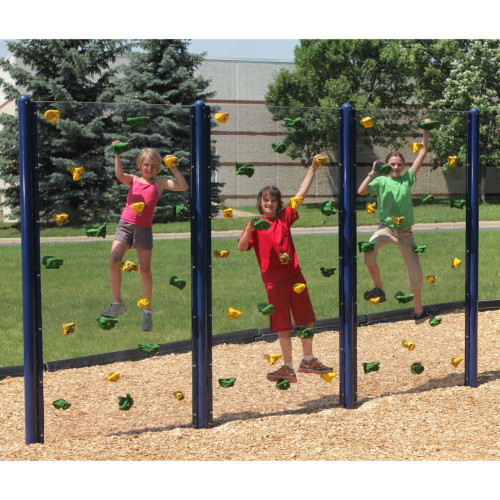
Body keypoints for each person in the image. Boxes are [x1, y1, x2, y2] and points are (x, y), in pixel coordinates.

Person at [238, 154, 333, 384]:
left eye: (273, 201)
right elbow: (241, 248)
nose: (269, 204)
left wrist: (313, 168)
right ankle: (288, 366)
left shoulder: (284, 217)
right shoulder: (256, 224)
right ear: (260, 202)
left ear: (278, 203)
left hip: (295, 277)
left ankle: (308, 360)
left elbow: (300, 194)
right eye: (265, 200)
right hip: (274, 282)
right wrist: (250, 228)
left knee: (306, 318)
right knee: (282, 324)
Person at [101, 142, 188, 331]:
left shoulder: (159, 183)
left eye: (154, 166)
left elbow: (182, 186)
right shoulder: (133, 180)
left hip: (143, 229)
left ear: (158, 168)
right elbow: (119, 175)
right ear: (140, 165)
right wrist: (117, 154)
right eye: (146, 165)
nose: (149, 169)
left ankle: (147, 313)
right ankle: (117, 304)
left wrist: (172, 166)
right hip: (125, 225)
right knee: (114, 260)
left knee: (144, 270)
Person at [357, 120, 437, 324]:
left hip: (405, 233)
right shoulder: (381, 180)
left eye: (399, 164)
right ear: (387, 165)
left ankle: (419, 311)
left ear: (403, 167)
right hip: (386, 230)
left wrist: (425, 131)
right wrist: (372, 172)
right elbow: (361, 191)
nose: (396, 167)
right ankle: (379, 289)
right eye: (392, 164)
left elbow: (422, 153)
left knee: (415, 271)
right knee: (368, 250)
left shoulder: (407, 178)